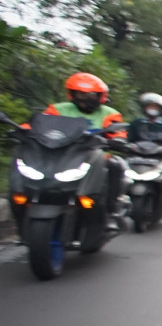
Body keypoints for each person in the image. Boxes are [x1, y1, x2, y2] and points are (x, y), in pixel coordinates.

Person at [43, 72, 127, 225]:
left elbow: (118, 131)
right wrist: (24, 130)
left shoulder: (110, 113)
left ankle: (111, 211)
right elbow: (41, 123)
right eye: (80, 94)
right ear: (72, 94)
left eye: (90, 95)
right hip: (60, 153)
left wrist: (119, 139)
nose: (85, 99)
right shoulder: (57, 109)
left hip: (94, 156)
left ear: (100, 96)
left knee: (115, 166)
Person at [125, 92, 162, 203]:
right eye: (150, 106)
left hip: (161, 158)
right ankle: (117, 196)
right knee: (120, 168)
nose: (152, 109)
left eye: (155, 107)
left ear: (161, 109)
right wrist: (127, 145)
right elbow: (128, 138)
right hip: (136, 156)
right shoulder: (136, 123)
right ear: (144, 108)